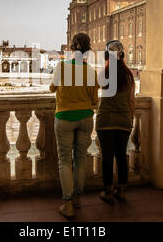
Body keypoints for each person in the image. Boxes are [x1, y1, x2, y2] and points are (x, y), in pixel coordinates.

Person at [49, 33, 99, 218]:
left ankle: (68, 204)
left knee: (64, 160)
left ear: (71, 48)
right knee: (80, 159)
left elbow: (52, 88)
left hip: (64, 117)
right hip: (86, 118)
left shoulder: (62, 67)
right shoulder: (92, 72)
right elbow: (95, 100)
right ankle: (77, 199)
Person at [95, 40, 135, 203]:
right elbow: (132, 100)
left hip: (105, 120)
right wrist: (130, 118)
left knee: (107, 157)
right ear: (122, 56)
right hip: (124, 120)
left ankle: (108, 191)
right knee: (121, 155)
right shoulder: (129, 75)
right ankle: (122, 190)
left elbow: (92, 95)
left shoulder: (103, 73)